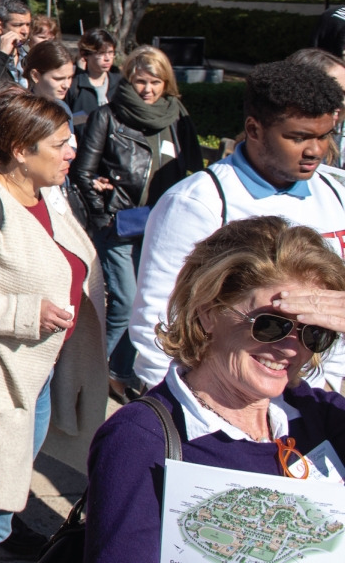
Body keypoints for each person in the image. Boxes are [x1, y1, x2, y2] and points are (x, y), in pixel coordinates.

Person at [86, 217, 345, 560]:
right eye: (271, 325)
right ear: (208, 312)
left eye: (314, 332)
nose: (291, 349)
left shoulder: (318, 416)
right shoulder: (141, 439)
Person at [0, 88, 106, 563]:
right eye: (59, 145)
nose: (71, 153)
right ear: (23, 151)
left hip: (37, 382)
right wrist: (24, 314)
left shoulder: (50, 197)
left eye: (71, 142)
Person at [132, 60, 345, 390]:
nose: (315, 150)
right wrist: (175, 411)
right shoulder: (199, 201)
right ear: (255, 129)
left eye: (323, 136)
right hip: (226, 402)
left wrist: (328, 383)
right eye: (299, 137)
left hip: (313, 403)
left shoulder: (336, 192)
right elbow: (159, 318)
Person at [73, 46, 202, 401]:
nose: (147, 90)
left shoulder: (177, 116)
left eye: (155, 82)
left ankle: (118, 371)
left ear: (167, 83)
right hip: (120, 224)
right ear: (128, 80)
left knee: (152, 305)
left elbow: (194, 168)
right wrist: (105, 215)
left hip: (164, 226)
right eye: (140, 81)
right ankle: (88, 375)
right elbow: (83, 172)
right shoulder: (108, 116)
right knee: (126, 302)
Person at [64, 28, 120, 116]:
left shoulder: (120, 83)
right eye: (101, 53)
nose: (107, 58)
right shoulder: (73, 86)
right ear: (85, 54)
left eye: (110, 52)